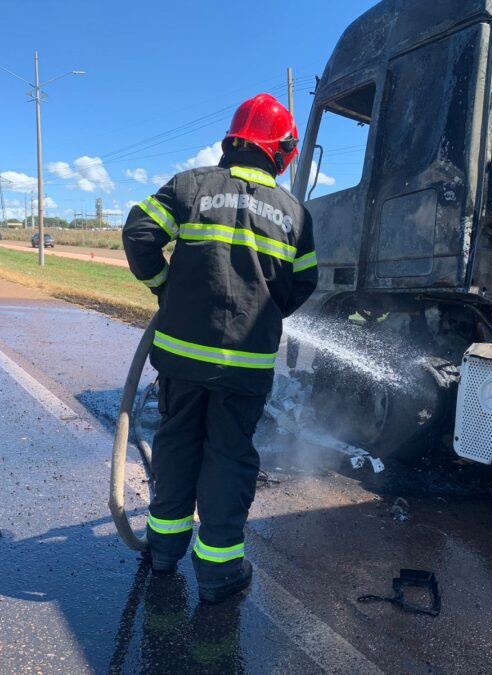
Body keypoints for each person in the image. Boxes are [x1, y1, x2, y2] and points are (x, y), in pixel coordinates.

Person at [123, 93, 317, 602]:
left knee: (177, 443)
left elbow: (139, 233)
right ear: (283, 152)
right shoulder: (295, 214)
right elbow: (304, 283)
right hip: (245, 368)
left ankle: (163, 551)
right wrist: (265, 312)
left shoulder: (191, 186)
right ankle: (218, 572)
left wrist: (165, 287)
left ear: (233, 140)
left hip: (182, 359)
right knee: (228, 457)